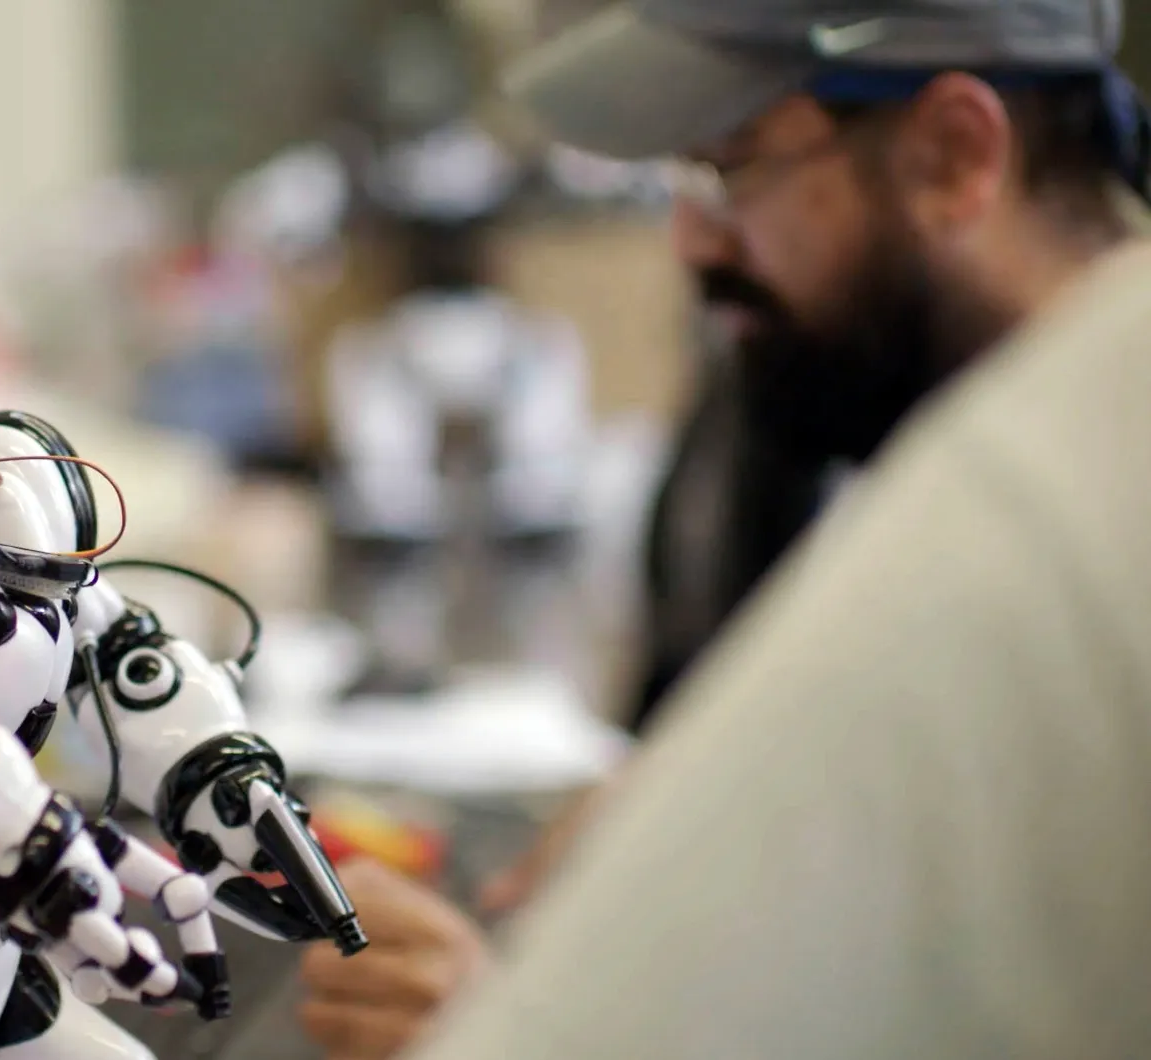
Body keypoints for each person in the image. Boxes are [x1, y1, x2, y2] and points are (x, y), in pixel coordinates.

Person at [300, 0, 1151, 1055]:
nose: (691, 241)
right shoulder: (832, 460)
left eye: (732, 166)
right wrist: (718, 811)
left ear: (952, 155)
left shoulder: (1093, 549)